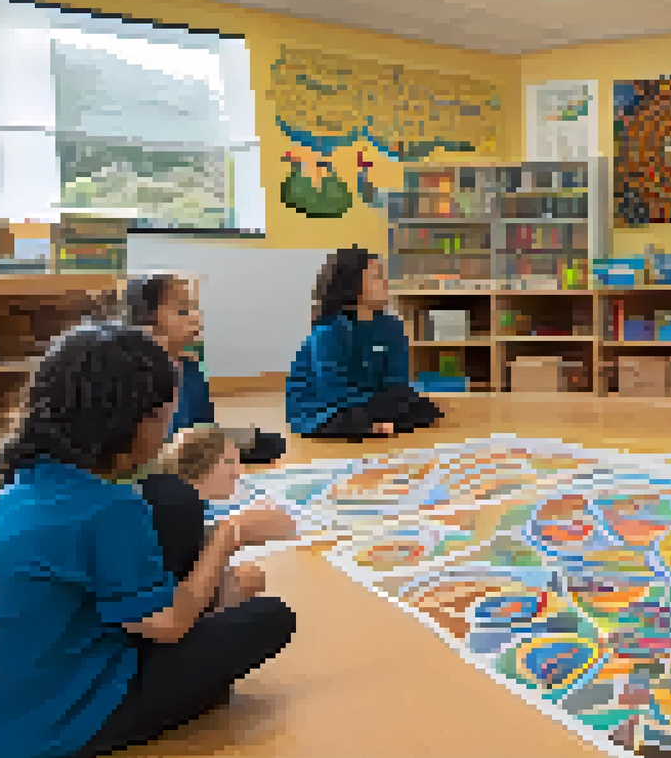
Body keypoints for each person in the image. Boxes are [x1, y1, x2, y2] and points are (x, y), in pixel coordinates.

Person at [0, 322, 298, 758]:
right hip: (53, 730)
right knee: (270, 617)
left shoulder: (26, 482)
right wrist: (229, 535)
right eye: (164, 416)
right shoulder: (105, 506)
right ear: (138, 422)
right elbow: (171, 625)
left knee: (199, 556)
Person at [125, 273, 287, 466]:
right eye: (182, 311)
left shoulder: (191, 368)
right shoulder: (140, 371)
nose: (196, 317)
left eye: (194, 308)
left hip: (195, 444)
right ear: (148, 321)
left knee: (270, 442)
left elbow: (204, 422)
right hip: (162, 453)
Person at [286, 246, 443, 439]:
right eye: (377, 276)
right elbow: (333, 390)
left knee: (424, 408)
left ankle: (375, 424)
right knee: (346, 419)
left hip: (372, 400)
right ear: (352, 284)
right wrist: (374, 407)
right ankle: (374, 424)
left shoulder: (392, 326)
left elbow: (398, 380)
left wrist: (387, 402)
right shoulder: (329, 329)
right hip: (323, 405)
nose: (386, 282)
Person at [141, 426, 267, 612]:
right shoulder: (179, 510)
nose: (238, 473)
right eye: (229, 462)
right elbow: (183, 604)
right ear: (196, 468)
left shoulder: (169, 497)